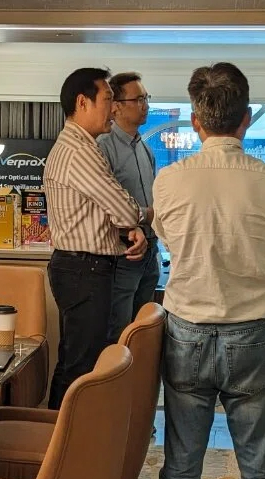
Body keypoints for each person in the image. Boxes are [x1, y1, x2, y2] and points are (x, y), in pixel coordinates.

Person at [153, 62, 265, 479]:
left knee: (180, 463)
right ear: (246, 119)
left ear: (195, 120)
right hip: (252, 331)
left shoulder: (168, 180)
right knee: (260, 466)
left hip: (186, 331)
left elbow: (169, 244)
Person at [44, 67, 147, 410]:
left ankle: (60, 434)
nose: (113, 108)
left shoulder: (82, 146)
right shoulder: (79, 151)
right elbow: (125, 209)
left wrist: (128, 226)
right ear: (82, 102)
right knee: (81, 365)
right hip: (83, 269)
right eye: (107, 99)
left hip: (83, 267)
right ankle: (63, 437)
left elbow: (111, 212)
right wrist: (137, 219)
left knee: (78, 360)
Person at [97, 72, 159, 343]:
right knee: (119, 332)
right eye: (139, 99)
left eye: (146, 98)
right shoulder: (102, 147)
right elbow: (104, 204)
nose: (145, 105)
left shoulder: (145, 149)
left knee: (144, 331)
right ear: (116, 106)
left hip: (150, 248)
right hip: (124, 251)